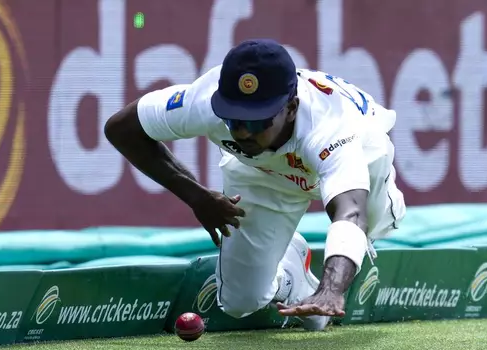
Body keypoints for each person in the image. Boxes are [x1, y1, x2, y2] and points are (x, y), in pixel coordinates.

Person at [104, 38, 406, 331]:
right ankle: (294, 279)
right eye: (234, 120)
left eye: (257, 122)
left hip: (363, 158)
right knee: (240, 300)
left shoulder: (328, 127)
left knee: (371, 226)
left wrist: (331, 289)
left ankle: (324, 278)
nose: (243, 134)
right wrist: (196, 197)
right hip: (261, 172)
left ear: (291, 108)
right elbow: (122, 128)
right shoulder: (204, 100)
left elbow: (350, 211)